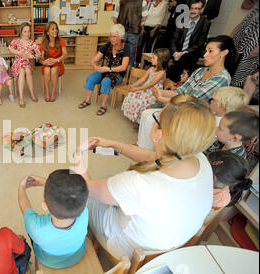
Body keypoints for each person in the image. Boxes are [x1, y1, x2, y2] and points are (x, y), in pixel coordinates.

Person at [74, 100, 216, 259]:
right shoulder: (199, 159)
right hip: (172, 242)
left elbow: (85, 187)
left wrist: (78, 159)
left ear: (159, 134)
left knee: (82, 193)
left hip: (129, 247)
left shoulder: (138, 183)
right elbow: (154, 157)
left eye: (156, 119)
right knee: (109, 181)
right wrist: (114, 145)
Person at [137, 35, 238, 149]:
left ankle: (150, 152)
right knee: (146, 115)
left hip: (194, 116)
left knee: (152, 118)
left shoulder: (222, 78)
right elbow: (180, 91)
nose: (205, 55)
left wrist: (162, 99)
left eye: (210, 51)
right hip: (180, 109)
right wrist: (159, 91)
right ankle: (144, 150)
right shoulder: (200, 71)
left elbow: (192, 101)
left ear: (223, 53)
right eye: (205, 51)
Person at [18, 170, 89, 269]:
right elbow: (70, 195)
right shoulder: (84, 211)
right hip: (77, 254)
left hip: (49, 260)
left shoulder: (37, 229)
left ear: (44, 205)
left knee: (29, 225)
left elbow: (25, 207)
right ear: (85, 202)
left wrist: (21, 188)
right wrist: (46, 183)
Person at [78, 24, 130, 116]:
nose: (111, 39)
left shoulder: (126, 48)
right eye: (110, 36)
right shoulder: (107, 45)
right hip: (104, 71)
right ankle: (87, 100)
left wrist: (109, 69)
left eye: (114, 37)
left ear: (120, 37)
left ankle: (103, 105)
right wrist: (95, 66)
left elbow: (123, 67)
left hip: (117, 75)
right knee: (91, 78)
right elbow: (94, 60)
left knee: (106, 81)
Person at [122, 48, 169, 125]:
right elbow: (143, 79)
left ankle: (139, 121)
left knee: (141, 102)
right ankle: (132, 116)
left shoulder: (162, 72)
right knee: (132, 95)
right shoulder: (151, 68)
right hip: (145, 88)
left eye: (154, 58)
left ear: (160, 60)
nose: (151, 59)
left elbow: (151, 84)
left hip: (153, 92)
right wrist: (133, 85)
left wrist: (136, 88)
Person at [168, 0, 211, 82]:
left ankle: (174, 82)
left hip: (192, 51)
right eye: (191, 8)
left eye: (196, 8)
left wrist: (185, 52)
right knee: (170, 55)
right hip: (178, 50)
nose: (193, 11)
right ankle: (174, 83)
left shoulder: (205, 23)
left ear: (201, 10)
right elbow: (174, 39)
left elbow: (200, 43)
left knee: (184, 60)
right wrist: (175, 52)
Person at [8, 22, 42, 108]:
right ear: (21, 32)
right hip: (17, 64)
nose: (27, 34)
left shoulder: (31, 43)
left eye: (29, 31)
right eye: (25, 31)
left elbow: (39, 54)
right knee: (22, 71)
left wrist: (33, 56)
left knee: (26, 69)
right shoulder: (16, 41)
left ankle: (32, 93)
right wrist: (18, 52)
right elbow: (10, 48)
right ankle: (21, 98)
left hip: (27, 64)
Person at [230, 2, 259, 88]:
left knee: (238, 77)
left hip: (253, 46)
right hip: (240, 40)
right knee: (229, 69)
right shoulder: (257, 5)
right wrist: (231, 36)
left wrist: (257, 50)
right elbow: (244, 21)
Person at [112, 0, 149, 66]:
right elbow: (145, 17)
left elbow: (115, 19)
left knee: (119, 52)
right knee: (131, 54)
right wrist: (137, 21)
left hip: (121, 30)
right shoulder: (143, 1)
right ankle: (129, 74)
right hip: (134, 30)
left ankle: (118, 72)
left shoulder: (122, 1)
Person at [40, 21, 67, 102]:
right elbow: (41, 58)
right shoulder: (44, 43)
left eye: (56, 29)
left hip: (58, 64)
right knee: (47, 70)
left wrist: (56, 60)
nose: (55, 31)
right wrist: (44, 62)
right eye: (53, 29)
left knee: (54, 70)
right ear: (47, 32)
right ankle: (47, 92)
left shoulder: (61, 40)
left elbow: (65, 54)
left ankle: (53, 92)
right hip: (47, 64)